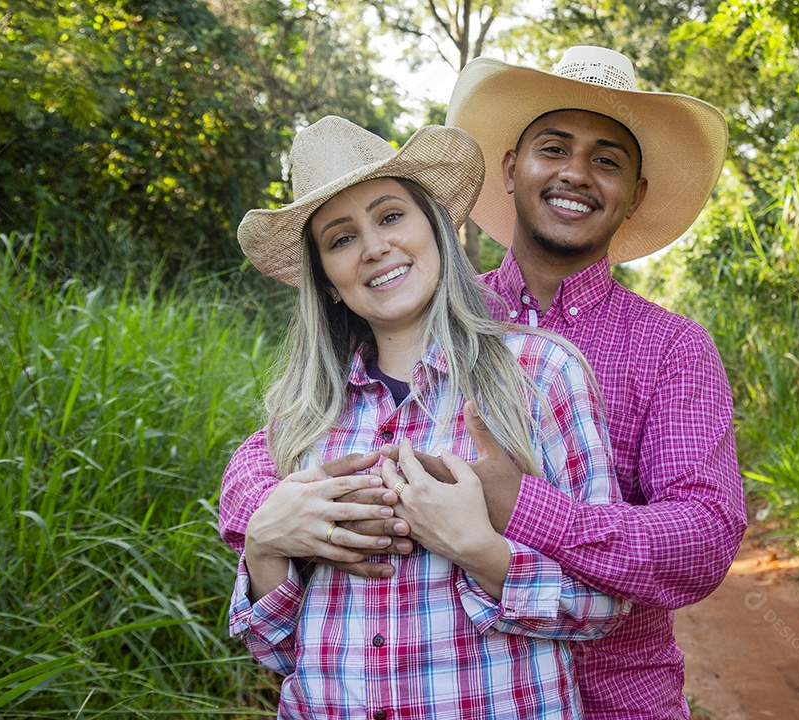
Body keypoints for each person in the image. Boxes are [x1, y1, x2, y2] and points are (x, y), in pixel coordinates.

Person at [219, 115, 630, 719]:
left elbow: (603, 606)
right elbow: (276, 652)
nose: (374, 246)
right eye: (340, 239)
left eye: (390, 216)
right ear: (328, 283)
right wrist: (264, 544)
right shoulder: (302, 419)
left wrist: (478, 549)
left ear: (436, 228)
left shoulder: (541, 375)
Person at [433, 46, 749, 719]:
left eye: (606, 160)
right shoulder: (436, 318)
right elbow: (288, 432)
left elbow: (704, 534)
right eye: (555, 148)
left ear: (633, 196)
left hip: (615, 700)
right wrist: (260, 514)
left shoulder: (673, 348)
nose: (577, 173)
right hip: (451, 691)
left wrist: (526, 507)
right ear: (514, 169)